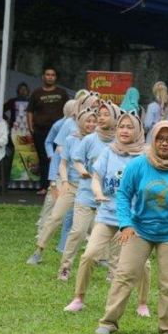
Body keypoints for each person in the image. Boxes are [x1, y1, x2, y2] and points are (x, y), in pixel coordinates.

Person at [95, 121, 168, 334]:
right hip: (139, 230)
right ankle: (108, 322)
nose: (164, 143)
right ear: (153, 140)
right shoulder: (139, 164)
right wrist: (126, 224)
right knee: (124, 276)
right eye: (160, 138)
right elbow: (124, 194)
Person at [64, 111, 151, 316]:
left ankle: (142, 303)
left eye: (130, 127)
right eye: (121, 126)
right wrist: (98, 192)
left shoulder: (144, 157)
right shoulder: (108, 152)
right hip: (107, 214)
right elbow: (96, 177)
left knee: (143, 263)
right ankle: (78, 298)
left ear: (138, 131)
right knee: (89, 255)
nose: (124, 131)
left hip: (133, 219)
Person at [57, 101, 120, 280]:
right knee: (78, 232)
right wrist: (81, 170)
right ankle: (65, 267)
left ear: (115, 118)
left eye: (106, 114)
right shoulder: (89, 139)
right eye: (99, 114)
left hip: (109, 197)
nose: (101, 118)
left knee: (114, 236)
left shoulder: (119, 141)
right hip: (86, 193)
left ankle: (113, 273)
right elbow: (75, 159)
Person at [26, 107, 97, 265]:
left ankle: (102, 258)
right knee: (55, 217)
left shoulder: (99, 141)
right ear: (80, 122)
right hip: (71, 186)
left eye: (94, 121)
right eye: (88, 121)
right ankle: (38, 251)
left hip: (90, 190)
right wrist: (63, 182)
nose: (91, 124)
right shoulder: (71, 139)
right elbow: (62, 163)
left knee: (97, 225)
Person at [38, 99, 78, 253]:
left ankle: (62, 246)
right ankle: (41, 237)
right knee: (51, 208)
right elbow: (50, 144)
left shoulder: (85, 128)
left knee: (68, 215)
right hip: (58, 175)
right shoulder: (62, 124)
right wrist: (52, 179)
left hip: (72, 179)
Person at [26, 65, 69, 194]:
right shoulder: (36, 93)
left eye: (53, 75)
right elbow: (29, 111)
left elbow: (69, 110)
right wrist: (30, 127)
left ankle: (60, 185)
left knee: (61, 158)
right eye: (48, 74)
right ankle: (44, 187)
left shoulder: (62, 93)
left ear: (55, 77)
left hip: (60, 132)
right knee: (44, 158)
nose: (50, 77)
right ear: (43, 77)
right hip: (41, 131)